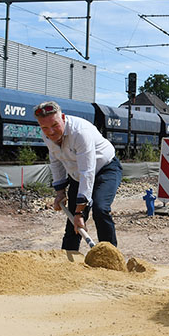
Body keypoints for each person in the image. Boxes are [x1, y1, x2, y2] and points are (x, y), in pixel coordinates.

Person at [35, 100, 122, 250]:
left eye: (55, 125)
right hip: (77, 174)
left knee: (100, 209)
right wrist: (60, 192)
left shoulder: (80, 132)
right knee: (72, 222)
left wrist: (80, 212)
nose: (51, 132)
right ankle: (68, 259)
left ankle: (109, 255)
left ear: (62, 117)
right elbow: (55, 161)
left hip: (105, 169)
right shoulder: (47, 134)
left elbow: (87, 172)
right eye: (45, 127)